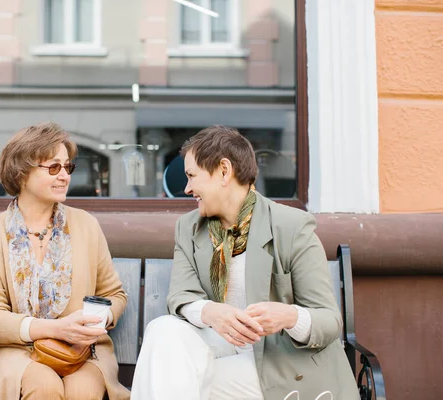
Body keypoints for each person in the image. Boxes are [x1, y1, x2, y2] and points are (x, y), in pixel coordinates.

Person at [131, 126, 359, 400]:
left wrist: (287, 316)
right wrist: (212, 313)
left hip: (279, 358)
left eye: (192, 176)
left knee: (180, 381)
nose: (187, 188)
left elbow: (329, 320)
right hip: (220, 345)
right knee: (162, 330)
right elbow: (181, 296)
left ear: (224, 171)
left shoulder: (291, 226)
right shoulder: (189, 227)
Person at [0, 123, 130, 400]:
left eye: (68, 167)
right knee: (44, 387)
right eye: (54, 168)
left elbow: (114, 295)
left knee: (83, 391)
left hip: (81, 351)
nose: (65, 176)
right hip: (16, 351)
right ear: (22, 173)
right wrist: (54, 328)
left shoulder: (86, 225)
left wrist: (96, 320)